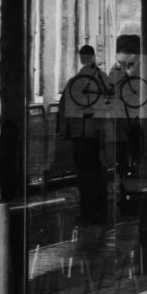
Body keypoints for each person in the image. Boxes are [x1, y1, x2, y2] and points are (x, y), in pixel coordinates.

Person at [59, 45, 111, 224]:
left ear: (81, 58)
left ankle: (88, 212)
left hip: (80, 134)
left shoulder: (75, 81)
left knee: (84, 175)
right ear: (94, 57)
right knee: (98, 173)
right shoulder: (102, 77)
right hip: (97, 133)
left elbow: (64, 106)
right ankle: (101, 211)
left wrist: (65, 131)